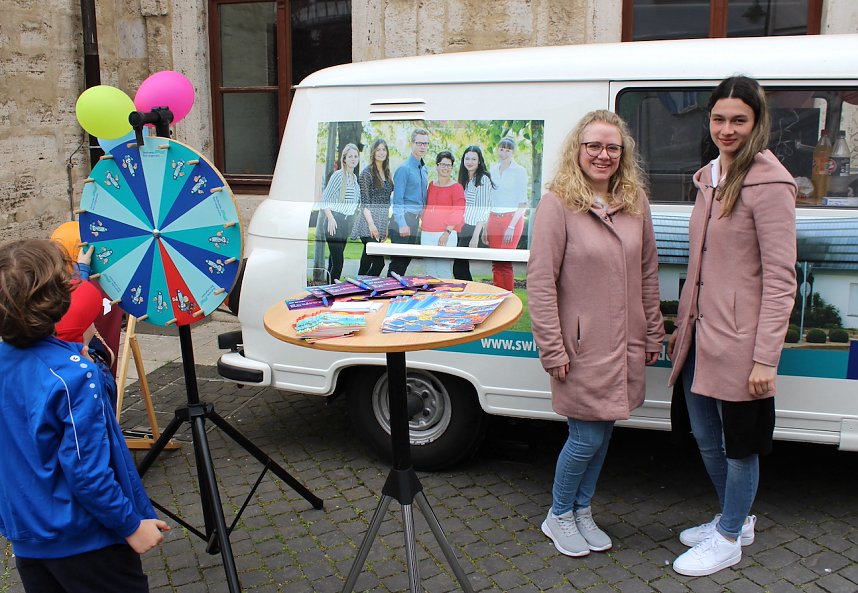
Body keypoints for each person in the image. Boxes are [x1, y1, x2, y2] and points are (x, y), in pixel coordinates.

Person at [667, 76, 797, 577]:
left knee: (740, 445)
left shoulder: (770, 184)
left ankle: (728, 538)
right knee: (705, 435)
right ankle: (734, 520)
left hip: (742, 344)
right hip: (700, 337)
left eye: (739, 120)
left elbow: (781, 279)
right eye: (719, 118)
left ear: (757, 122)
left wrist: (766, 358)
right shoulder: (709, 177)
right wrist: (682, 327)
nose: (727, 129)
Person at [528, 110, 664, 558]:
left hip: (625, 343)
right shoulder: (558, 204)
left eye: (612, 148)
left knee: (603, 434)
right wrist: (552, 348)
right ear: (578, 149)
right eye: (594, 146)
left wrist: (653, 331)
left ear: (623, 154)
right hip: (580, 347)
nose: (603, 155)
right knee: (585, 437)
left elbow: (647, 273)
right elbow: (541, 283)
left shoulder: (635, 201)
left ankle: (582, 510)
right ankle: (558, 514)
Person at [0, 239, 169, 593]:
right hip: (88, 543)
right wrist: (130, 524)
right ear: (58, 299)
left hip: (29, 541)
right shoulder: (74, 376)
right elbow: (87, 472)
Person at [485, 137, 528, 290]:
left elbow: (523, 202)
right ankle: (498, 296)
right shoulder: (492, 170)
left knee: (505, 262)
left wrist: (511, 226)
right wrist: (485, 226)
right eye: (501, 149)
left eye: (508, 150)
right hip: (493, 218)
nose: (504, 153)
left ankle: (509, 297)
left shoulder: (520, 171)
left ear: (513, 152)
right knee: (496, 262)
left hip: (512, 219)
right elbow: (489, 199)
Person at [387, 128, 429, 277]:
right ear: (412, 144)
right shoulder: (404, 169)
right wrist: (402, 223)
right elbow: (397, 200)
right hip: (402, 220)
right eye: (419, 143)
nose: (422, 146)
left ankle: (397, 289)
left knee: (405, 261)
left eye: (425, 143)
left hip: (414, 221)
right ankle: (390, 290)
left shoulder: (424, 170)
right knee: (397, 263)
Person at [420, 151, 465, 278]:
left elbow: (458, 211)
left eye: (449, 165)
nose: (446, 168)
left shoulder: (457, 187)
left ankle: (445, 292)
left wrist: (446, 233)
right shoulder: (431, 185)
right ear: (437, 166)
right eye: (443, 164)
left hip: (446, 234)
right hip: (427, 233)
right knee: (430, 272)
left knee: (443, 271)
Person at [352, 138, 394, 276]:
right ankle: (368, 285)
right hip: (367, 223)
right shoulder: (367, 173)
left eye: (384, 149)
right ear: (373, 152)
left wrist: (385, 225)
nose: (381, 152)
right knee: (379, 263)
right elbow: (364, 202)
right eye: (378, 149)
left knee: (366, 261)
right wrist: (371, 225)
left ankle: (358, 283)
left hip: (381, 222)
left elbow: (387, 203)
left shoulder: (387, 173)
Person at [320, 143, 361, 281]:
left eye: (355, 156)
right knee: (338, 263)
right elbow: (324, 200)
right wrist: (331, 219)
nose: (353, 159)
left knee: (333, 261)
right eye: (350, 156)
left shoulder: (354, 179)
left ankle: (329, 287)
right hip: (334, 221)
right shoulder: (338, 176)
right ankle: (333, 289)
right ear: (344, 159)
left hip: (345, 224)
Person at [453, 145, 494, 281]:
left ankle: (470, 290)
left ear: (479, 161)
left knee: (458, 267)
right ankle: (469, 291)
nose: (470, 162)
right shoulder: (465, 179)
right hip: (461, 226)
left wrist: (476, 235)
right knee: (462, 266)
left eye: (473, 159)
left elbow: (484, 209)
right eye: (467, 158)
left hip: (471, 228)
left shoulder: (483, 179)